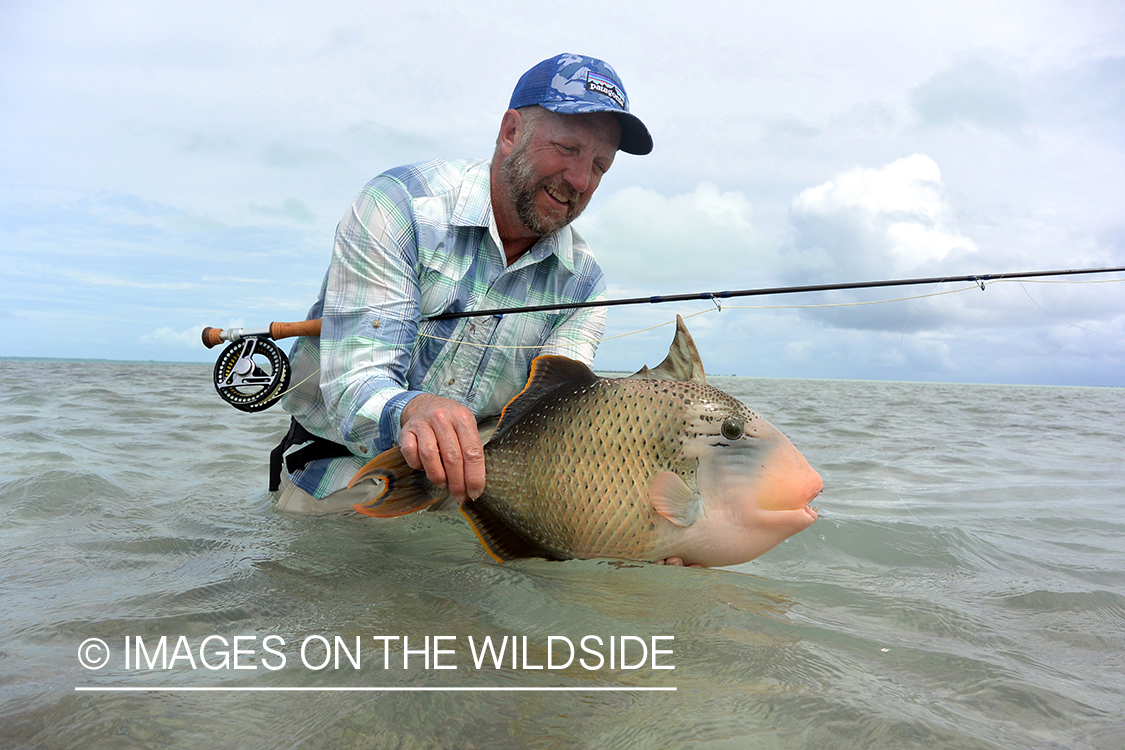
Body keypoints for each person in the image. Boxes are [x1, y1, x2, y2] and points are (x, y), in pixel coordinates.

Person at [271, 53, 653, 516]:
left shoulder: (585, 285)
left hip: (482, 488)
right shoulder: (400, 204)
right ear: (510, 133)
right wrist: (413, 411)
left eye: (599, 166)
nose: (580, 179)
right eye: (568, 148)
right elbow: (355, 382)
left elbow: (556, 423)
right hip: (339, 470)